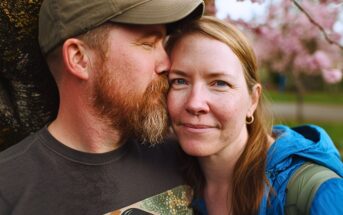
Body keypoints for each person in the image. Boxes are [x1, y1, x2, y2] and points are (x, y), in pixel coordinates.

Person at [0, 0, 204, 214]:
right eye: (147, 44)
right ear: (79, 59)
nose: (167, 65)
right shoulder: (7, 188)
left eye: (164, 44)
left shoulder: (184, 158)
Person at [166, 16, 343, 215]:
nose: (194, 103)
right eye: (179, 81)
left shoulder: (319, 195)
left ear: (253, 100)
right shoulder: (166, 180)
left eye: (220, 83)